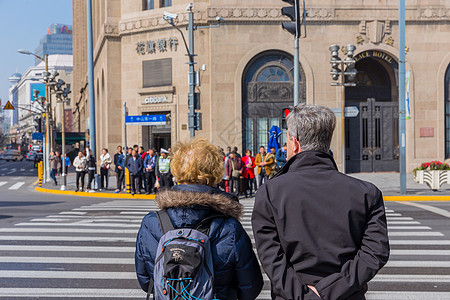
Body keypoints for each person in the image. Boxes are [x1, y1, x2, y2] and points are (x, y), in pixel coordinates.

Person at [252, 104, 390, 300]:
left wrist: (303, 295)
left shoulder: (270, 192)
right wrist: (329, 291)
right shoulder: (367, 193)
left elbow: (271, 258)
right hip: (346, 295)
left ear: (295, 143)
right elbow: (375, 253)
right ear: (327, 143)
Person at [135, 137, 263, 299]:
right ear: (214, 174)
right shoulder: (228, 226)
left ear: (177, 171)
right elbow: (250, 286)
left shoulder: (151, 223)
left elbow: (146, 281)